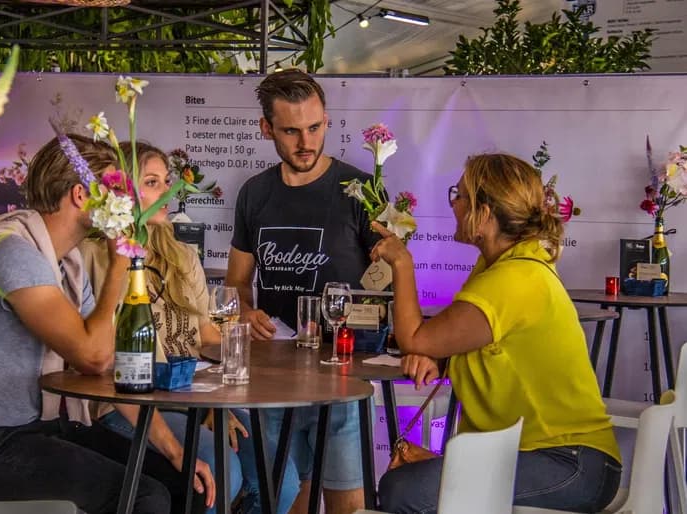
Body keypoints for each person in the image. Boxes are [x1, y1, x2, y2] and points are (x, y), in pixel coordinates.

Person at [0, 134, 190, 514]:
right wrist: (120, 265)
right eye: (113, 189)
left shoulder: (66, 263)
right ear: (81, 195)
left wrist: (173, 449)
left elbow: (105, 366)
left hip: (30, 430)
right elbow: (92, 357)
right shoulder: (12, 251)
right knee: (145, 497)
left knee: (179, 482)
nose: (124, 202)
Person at [373, 153, 621, 513]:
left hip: (570, 464)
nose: (453, 205)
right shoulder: (503, 265)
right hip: (546, 457)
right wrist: (439, 361)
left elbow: (414, 337)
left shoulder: (513, 279)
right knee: (407, 485)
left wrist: (402, 262)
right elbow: (480, 344)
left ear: (485, 214)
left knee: (403, 491)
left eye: (458, 195)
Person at [82, 141, 300, 514]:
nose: (167, 191)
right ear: (120, 191)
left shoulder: (181, 254)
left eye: (167, 181)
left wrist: (241, 365)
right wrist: (203, 408)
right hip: (129, 405)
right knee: (221, 469)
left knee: (281, 476)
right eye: (152, 182)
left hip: (191, 397)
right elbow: (105, 357)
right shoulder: (94, 255)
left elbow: (205, 335)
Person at [226, 69, 379, 514]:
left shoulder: (359, 189)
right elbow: (237, 282)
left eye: (315, 127)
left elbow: (388, 282)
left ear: (327, 120)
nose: (306, 141)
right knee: (283, 496)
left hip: (343, 376)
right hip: (272, 381)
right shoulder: (254, 193)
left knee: (346, 499)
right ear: (266, 128)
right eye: (291, 131)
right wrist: (245, 313)